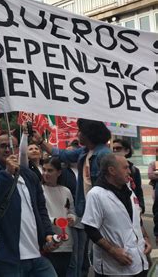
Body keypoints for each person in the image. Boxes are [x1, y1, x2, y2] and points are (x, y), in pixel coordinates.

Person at [31, 118, 111, 277]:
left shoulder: (104, 155)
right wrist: (40, 141)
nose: (77, 134)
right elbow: (60, 154)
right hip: (87, 213)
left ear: (89, 134)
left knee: (106, 252)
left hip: (104, 213)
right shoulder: (84, 152)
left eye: (80, 131)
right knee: (94, 254)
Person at [0, 133, 57, 276]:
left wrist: (48, 234)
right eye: (2, 146)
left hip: (36, 255)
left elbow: (40, 208)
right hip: (7, 258)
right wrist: (6, 174)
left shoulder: (29, 175)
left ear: (18, 149)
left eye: (12, 146)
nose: (7, 149)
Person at [82, 154, 151, 276]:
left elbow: (136, 219)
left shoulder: (129, 192)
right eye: (125, 168)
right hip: (113, 269)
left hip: (139, 262)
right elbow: (90, 228)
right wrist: (113, 251)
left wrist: (145, 238)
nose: (129, 172)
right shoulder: (96, 194)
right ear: (112, 170)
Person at [41, 156, 76, 277]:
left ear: (59, 172)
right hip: (48, 241)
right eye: (44, 170)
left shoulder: (66, 190)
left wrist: (72, 218)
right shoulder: (39, 190)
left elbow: (71, 210)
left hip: (66, 241)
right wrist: (54, 221)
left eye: (50, 170)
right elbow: (38, 215)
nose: (46, 173)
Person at [112, 139, 145, 213]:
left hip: (133, 209)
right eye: (113, 148)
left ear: (127, 151)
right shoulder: (109, 169)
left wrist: (141, 207)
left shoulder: (134, 170)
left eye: (118, 148)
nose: (115, 151)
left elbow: (138, 190)